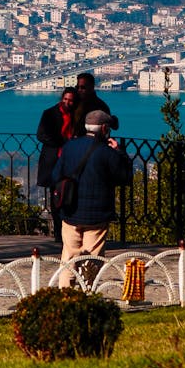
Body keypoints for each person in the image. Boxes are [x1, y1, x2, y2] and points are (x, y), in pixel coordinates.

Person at [52, 109, 131, 288]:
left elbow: (56, 175)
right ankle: (87, 292)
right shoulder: (107, 152)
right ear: (104, 129)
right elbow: (125, 177)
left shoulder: (69, 147)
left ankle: (64, 293)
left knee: (69, 258)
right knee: (91, 259)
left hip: (70, 211)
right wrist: (119, 152)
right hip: (97, 215)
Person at [36, 87, 78, 242]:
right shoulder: (49, 113)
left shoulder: (77, 115)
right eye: (65, 99)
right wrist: (62, 142)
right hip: (54, 160)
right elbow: (41, 135)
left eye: (70, 100)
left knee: (71, 194)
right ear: (62, 98)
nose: (67, 102)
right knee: (56, 196)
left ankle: (68, 231)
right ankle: (58, 233)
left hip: (71, 159)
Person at [73, 71, 119, 136]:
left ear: (92, 87)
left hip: (91, 144)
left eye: (83, 88)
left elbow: (107, 130)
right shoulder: (74, 103)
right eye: (77, 87)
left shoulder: (100, 106)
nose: (79, 90)